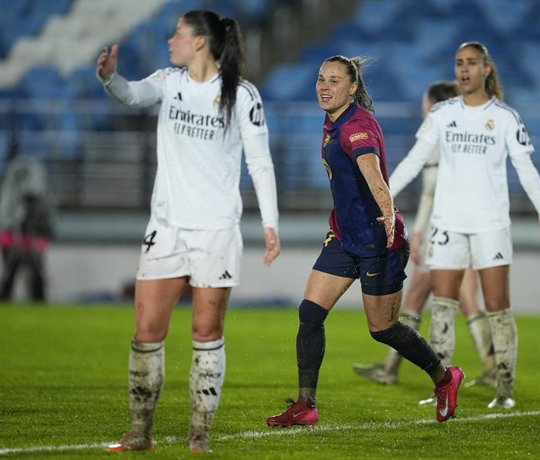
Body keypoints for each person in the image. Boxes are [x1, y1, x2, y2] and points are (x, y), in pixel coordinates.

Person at [96, 10, 280, 452]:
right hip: (167, 227)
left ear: (200, 42)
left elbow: (259, 162)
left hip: (216, 230)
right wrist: (110, 78)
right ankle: (140, 431)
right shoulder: (169, 81)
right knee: (146, 331)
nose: (170, 40)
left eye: (178, 34)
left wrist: (270, 224)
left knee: (205, 332)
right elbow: (133, 95)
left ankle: (200, 434)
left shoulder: (242, 95)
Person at [265, 55, 463, 428]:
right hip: (343, 237)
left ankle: (444, 377)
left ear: (352, 88)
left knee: (383, 330)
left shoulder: (355, 127)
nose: (324, 86)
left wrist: (388, 213)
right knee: (310, 313)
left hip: (377, 239)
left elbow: (372, 171)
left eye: (334, 81)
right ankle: (306, 405)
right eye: (321, 79)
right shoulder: (333, 119)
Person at [388, 42, 540, 410]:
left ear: (486, 69)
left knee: (498, 305)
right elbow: (414, 159)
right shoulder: (442, 114)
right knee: (444, 307)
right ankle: (440, 385)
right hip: (448, 224)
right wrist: (384, 195)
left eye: (471, 63)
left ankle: (505, 387)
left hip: (490, 225)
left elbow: (525, 167)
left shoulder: (504, 117)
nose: (464, 70)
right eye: (458, 64)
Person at [353, 81, 497, 392]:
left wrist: (418, 234)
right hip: (459, 230)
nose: (422, 108)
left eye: (425, 103)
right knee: (454, 300)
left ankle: (403, 369)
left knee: (424, 300)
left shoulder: (440, 140)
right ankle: (489, 367)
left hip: (442, 234)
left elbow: (432, 193)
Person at [0, 155, 54, 302]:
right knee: (11, 270)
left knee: (36, 271)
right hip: (14, 236)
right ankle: (6, 298)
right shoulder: (10, 197)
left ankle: (38, 298)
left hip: (32, 236)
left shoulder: (40, 200)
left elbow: (47, 218)